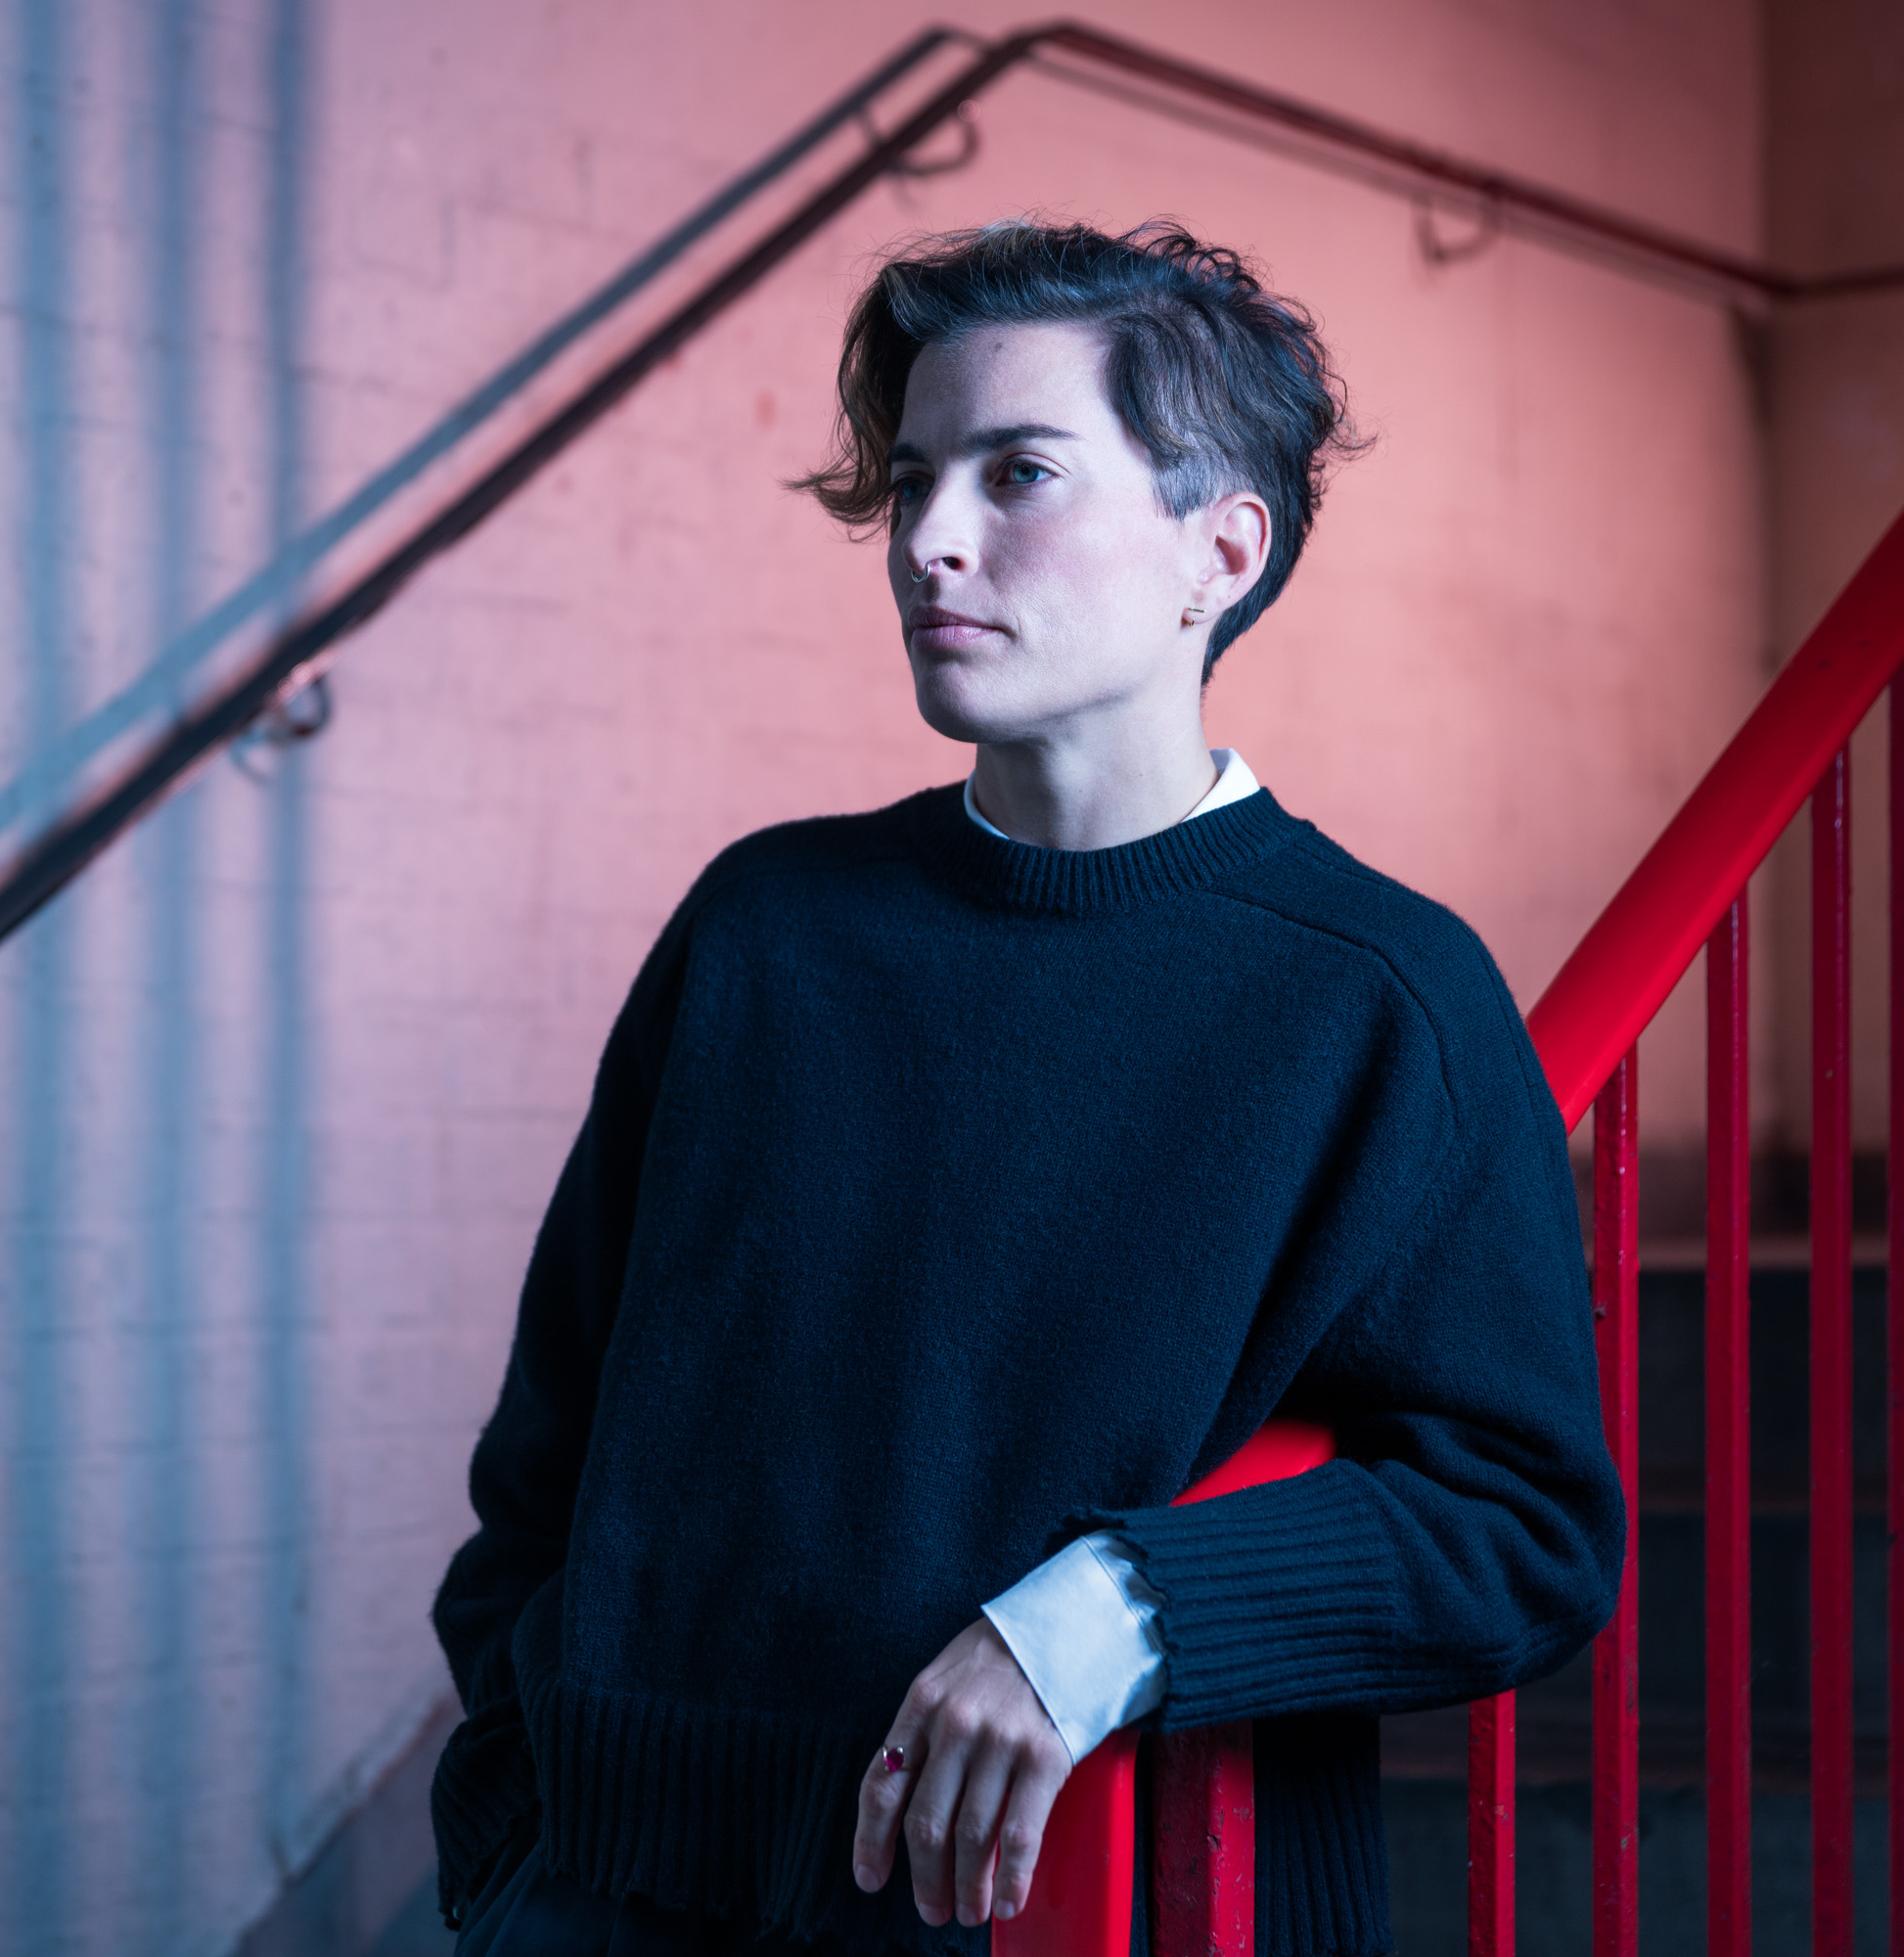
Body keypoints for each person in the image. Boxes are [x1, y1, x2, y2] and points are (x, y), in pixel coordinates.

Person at [428, 220, 1622, 1957]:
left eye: (1019, 474)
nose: (929, 538)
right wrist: (512, 1823)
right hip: (612, 1898)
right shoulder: (765, 927)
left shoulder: (1380, 999)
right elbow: (550, 1449)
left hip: (1082, 1911)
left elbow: (1523, 1524)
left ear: (1220, 551)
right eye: (916, 479)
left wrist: (1107, 1616)